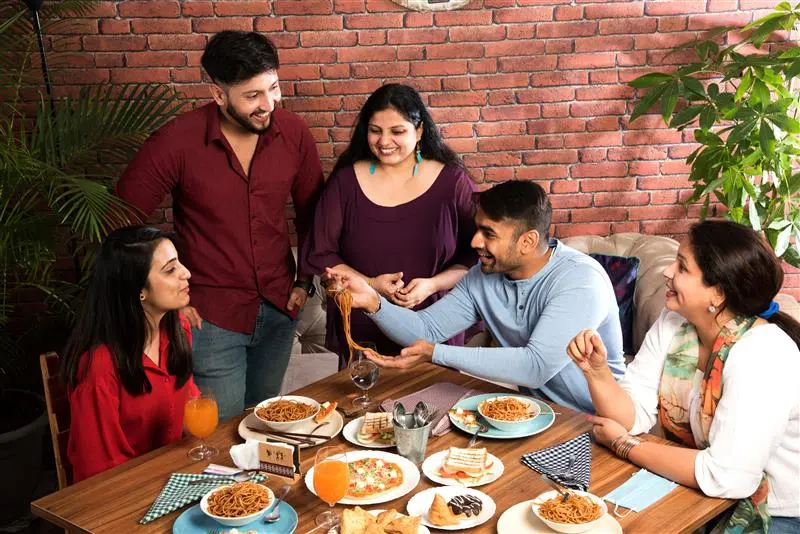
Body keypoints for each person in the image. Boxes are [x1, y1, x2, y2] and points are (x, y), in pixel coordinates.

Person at [116, 31, 324, 419]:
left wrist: (304, 281)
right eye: (253, 96)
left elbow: (315, 216)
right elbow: (118, 225)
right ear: (218, 94)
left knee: (264, 423)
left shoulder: (294, 133)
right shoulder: (176, 141)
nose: (269, 104)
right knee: (221, 434)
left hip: (280, 309)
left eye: (273, 88)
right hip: (210, 319)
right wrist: (168, 301)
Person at [566, 220, 800, 532]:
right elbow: (631, 415)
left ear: (718, 293)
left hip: (776, 513)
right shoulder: (674, 322)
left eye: (682, 267)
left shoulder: (763, 355)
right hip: (699, 492)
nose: (667, 272)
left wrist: (624, 444)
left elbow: (728, 477)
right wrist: (597, 372)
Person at [325, 180, 625, 413]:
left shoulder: (580, 280)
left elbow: (535, 367)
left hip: (600, 420)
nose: (474, 241)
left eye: (488, 233)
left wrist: (435, 353)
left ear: (528, 241)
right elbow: (425, 330)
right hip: (535, 413)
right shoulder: (483, 276)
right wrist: (374, 302)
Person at [302, 83, 477, 365]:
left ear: (419, 131)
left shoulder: (453, 183)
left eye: (397, 131)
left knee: (437, 394)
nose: (384, 141)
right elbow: (322, 253)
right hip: (363, 323)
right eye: (375, 130)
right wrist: (371, 285)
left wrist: (432, 285)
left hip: (434, 323)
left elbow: (480, 254)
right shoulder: (345, 182)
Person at [61, 226, 198, 482]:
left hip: (177, 475)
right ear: (139, 290)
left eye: (179, 263)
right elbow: (99, 471)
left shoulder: (179, 329)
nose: (186, 273)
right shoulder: (100, 366)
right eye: (170, 270)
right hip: (125, 491)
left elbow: (190, 402)